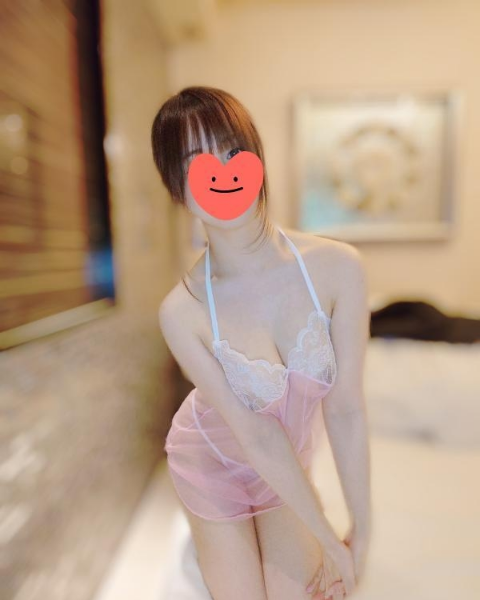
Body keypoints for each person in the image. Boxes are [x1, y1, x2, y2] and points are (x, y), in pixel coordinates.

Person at [151, 85, 372, 600]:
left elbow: (345, 409)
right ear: (176, 188)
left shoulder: (338, 267)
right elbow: (255, 434)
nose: (221, 172)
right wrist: (327, 541)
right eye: (197, 160)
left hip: (285, 462)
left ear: (258, 161)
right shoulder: (181, 311)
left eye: (233, 151)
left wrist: (359, 530)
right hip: (211, 461)